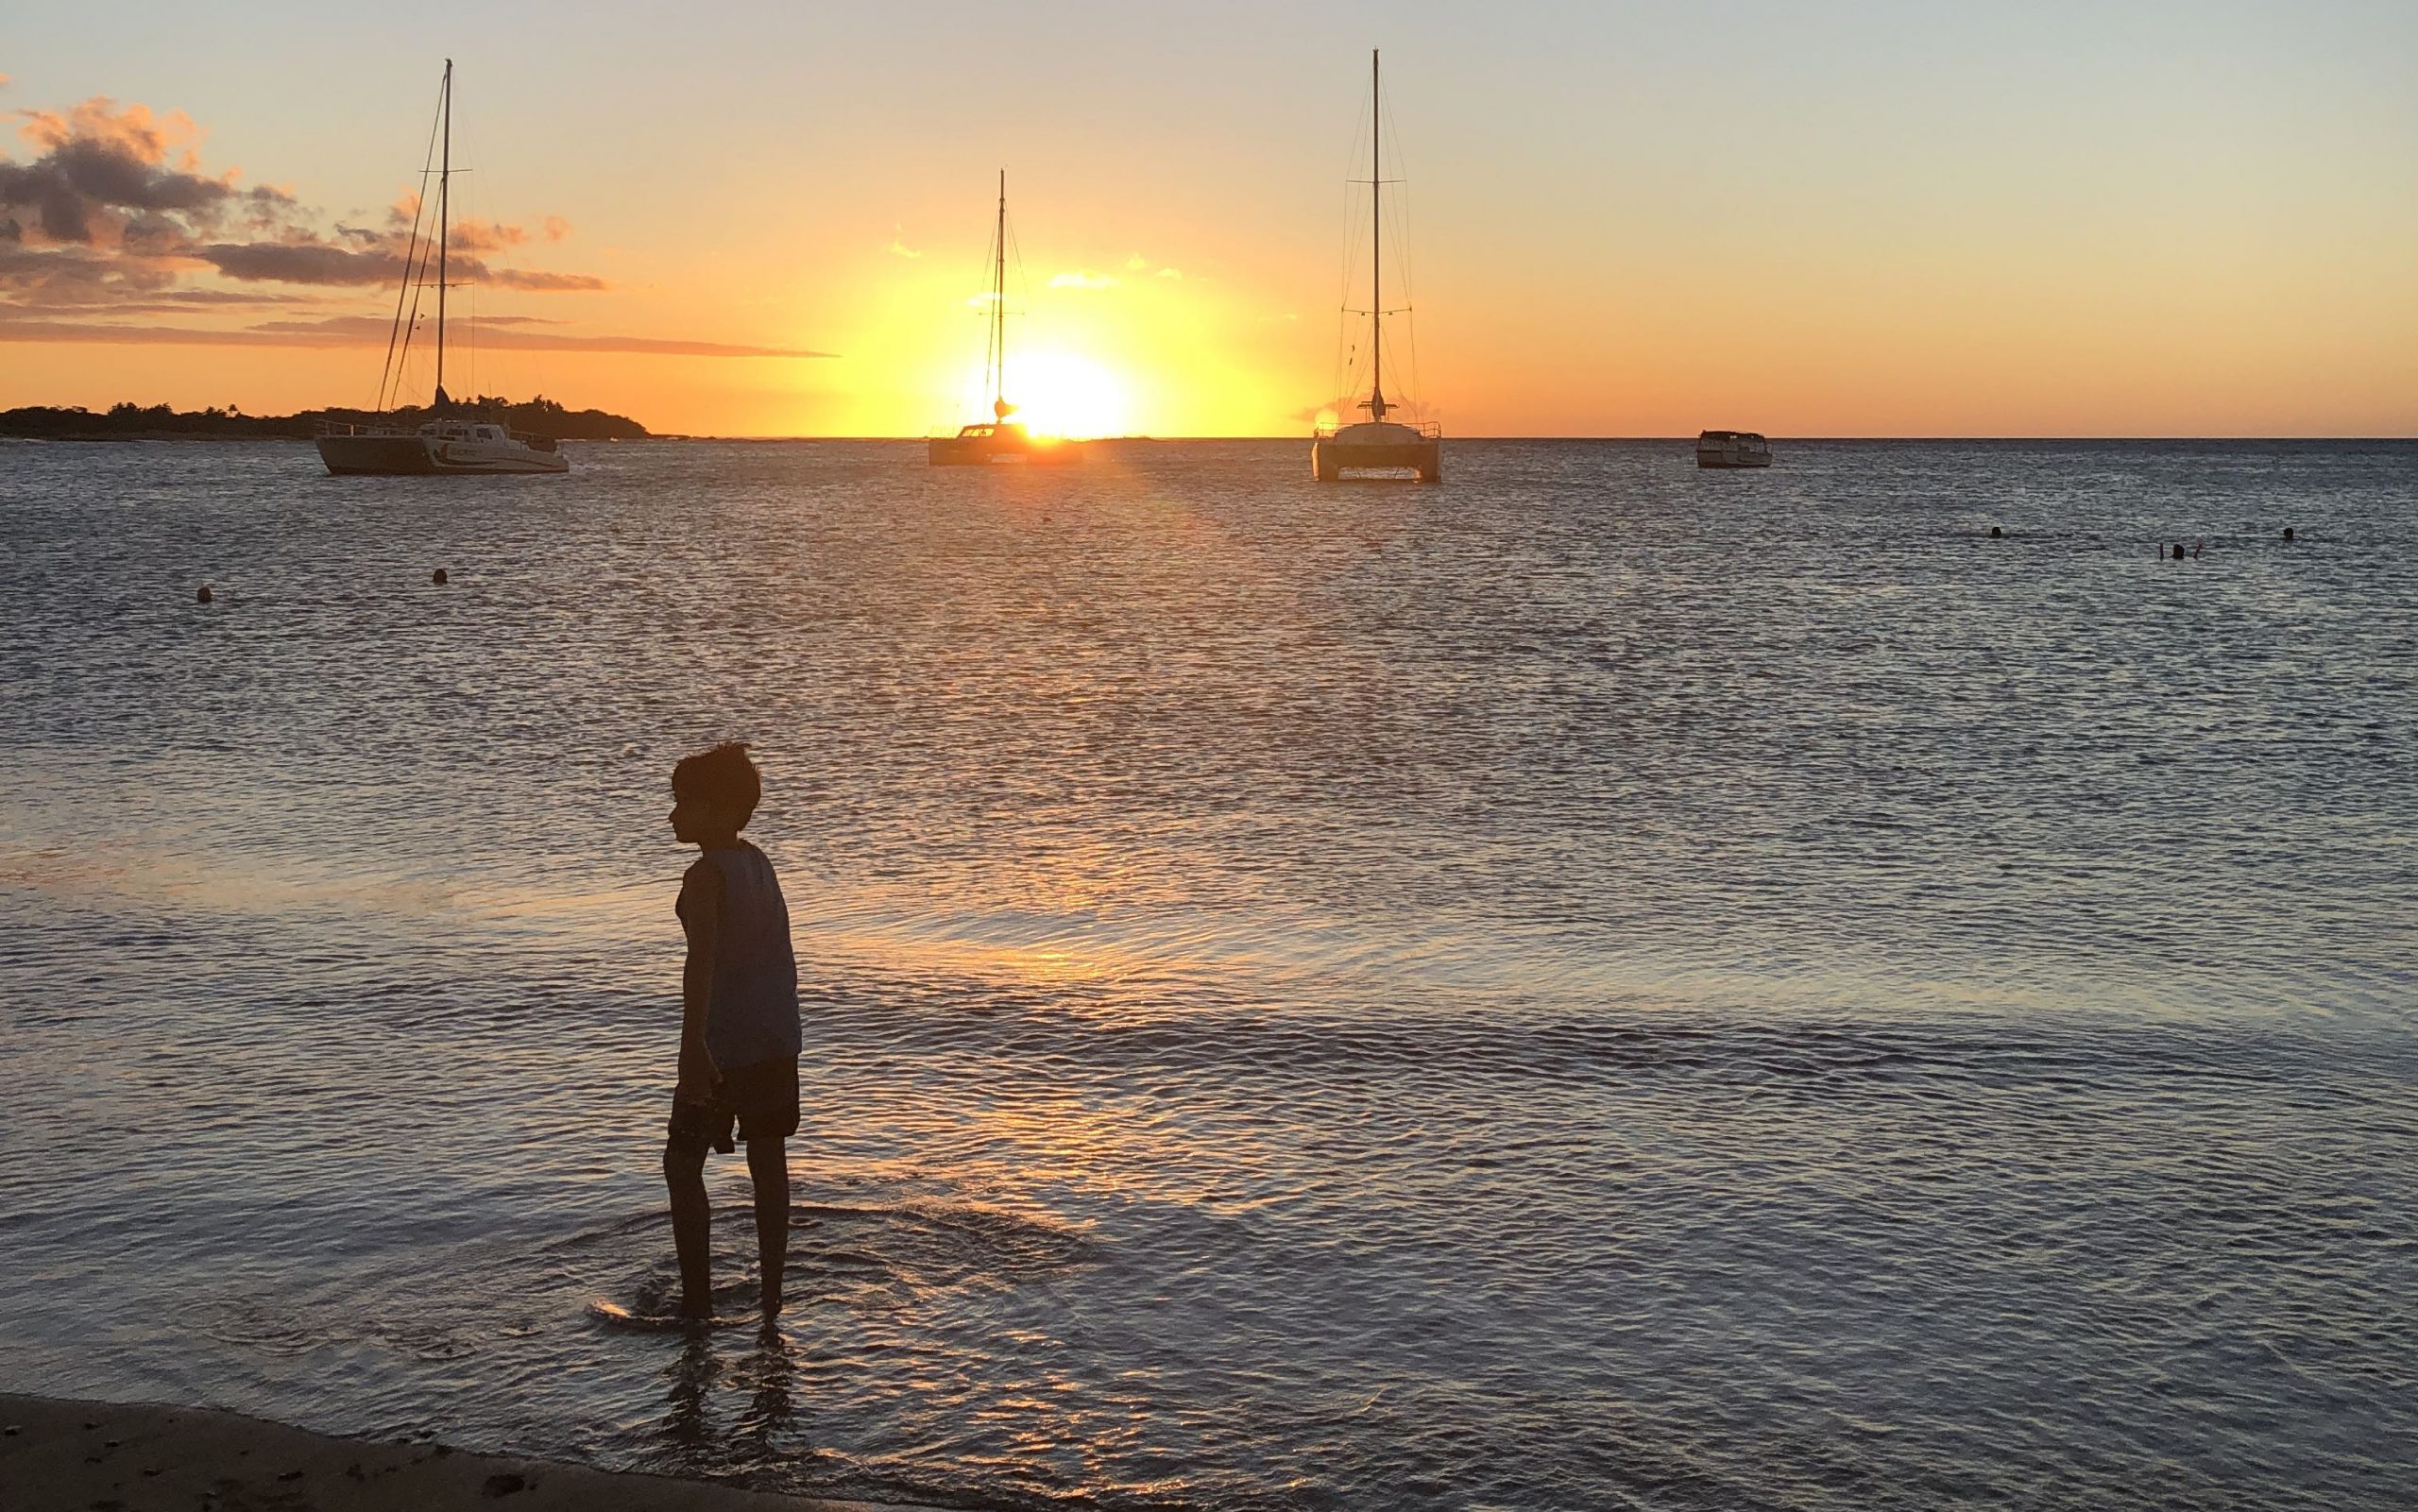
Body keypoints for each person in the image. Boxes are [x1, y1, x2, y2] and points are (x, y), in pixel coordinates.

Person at [662, 741, 801, 1321]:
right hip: (777, 1038)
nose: (671, 815)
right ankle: (772, 1300)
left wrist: (693, 1047)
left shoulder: (703, 877)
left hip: (725, 1047)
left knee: (681, 1165)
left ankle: (698, 1305)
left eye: (683, 804)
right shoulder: (758, 861)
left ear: (717, 812)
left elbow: (703, 965)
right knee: (768, 1163)